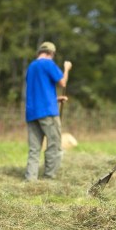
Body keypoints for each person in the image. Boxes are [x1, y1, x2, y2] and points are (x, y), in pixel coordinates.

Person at [25, 41, 72, 181]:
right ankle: (49, 178)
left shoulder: (31, 66)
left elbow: (38, 90)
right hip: (48, 112)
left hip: (32, 112)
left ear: (39, 52)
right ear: (51, 53)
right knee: (54, 144)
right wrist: (66, 68)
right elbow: (62, 82)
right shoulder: (48, 63)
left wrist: (56, 99)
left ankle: (30, 179)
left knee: (34, 149)